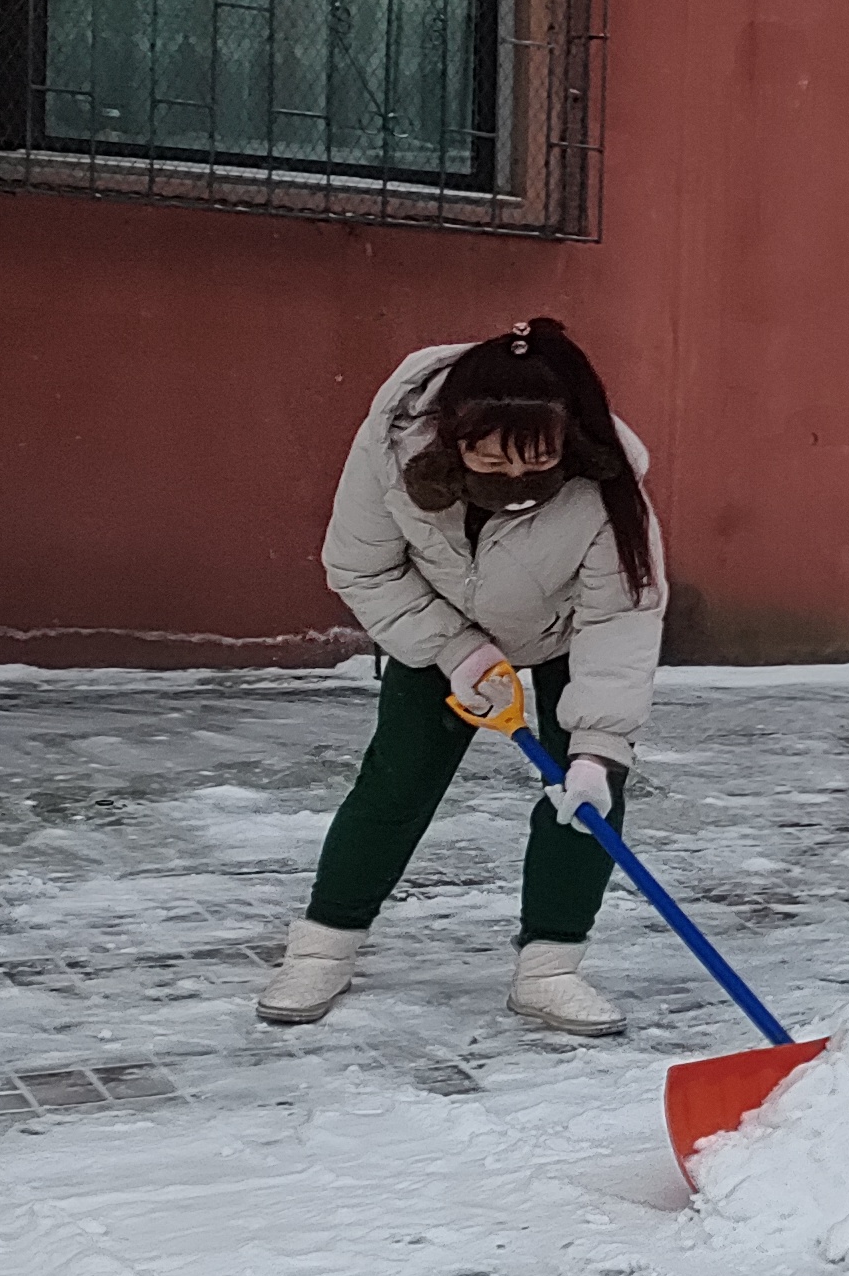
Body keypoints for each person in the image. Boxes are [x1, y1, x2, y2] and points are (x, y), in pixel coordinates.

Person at [259, 321, 666, 1038]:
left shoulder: (605, 479)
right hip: (438, 624)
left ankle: (550, 968)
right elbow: (359, 566)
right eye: (492, 466)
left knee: (584, 797)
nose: (516, 487)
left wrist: (598, 749)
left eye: (537, 468)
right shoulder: (394, 446)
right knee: (398, 781)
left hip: (569, 630)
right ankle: (323, 945)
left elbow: (620, 619)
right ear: (451, 437)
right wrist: (457, 650)